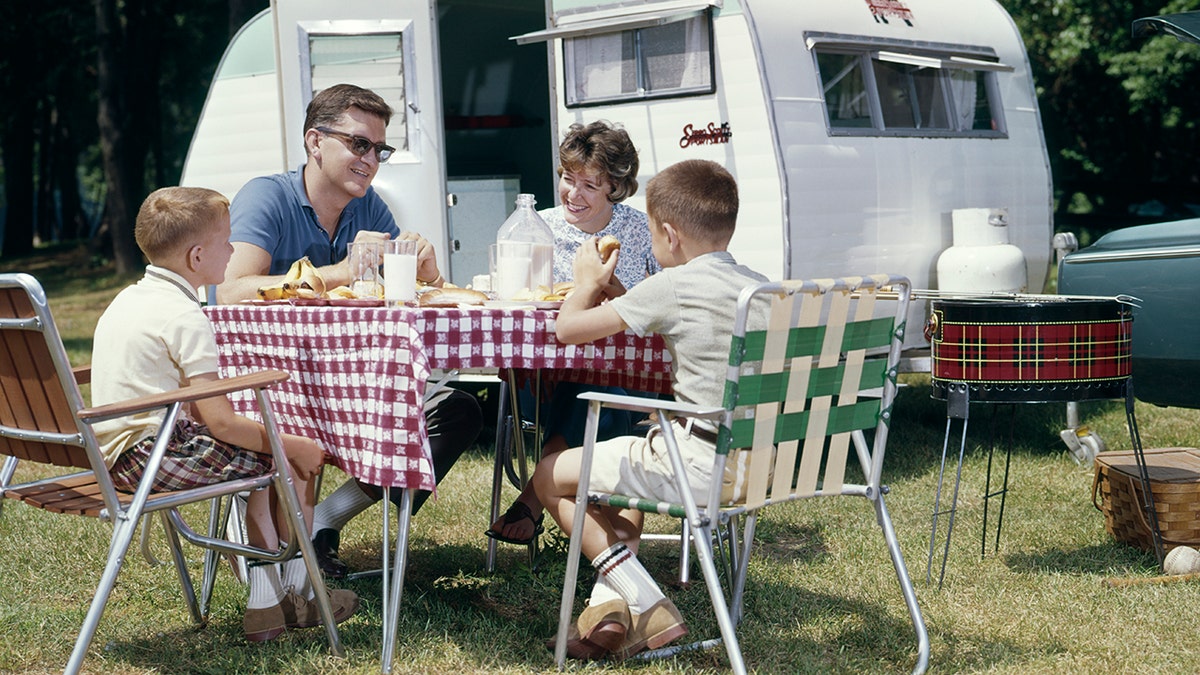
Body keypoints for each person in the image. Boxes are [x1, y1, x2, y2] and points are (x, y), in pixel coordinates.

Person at [217, 83, 483, 578]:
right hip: (276, 392)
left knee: (459, 413)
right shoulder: (267, 196)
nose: (371, 159)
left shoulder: (369, 206)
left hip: (347, 386)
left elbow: (400, 297)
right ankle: (280, 546)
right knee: (337, 427)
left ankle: (323, 523)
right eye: (359, 144)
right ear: (315, 141)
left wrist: (427, 274)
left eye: (379, 149)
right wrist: (340, 270)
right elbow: (231, 291)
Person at [90, 186, 359, 642]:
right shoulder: (185, 314)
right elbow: (221, 423)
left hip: (113, 455)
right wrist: (296, 445)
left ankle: (272, 602)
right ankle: (291, 596)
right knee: (288, 460)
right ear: (197, 257)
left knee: (262, 456)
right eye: (227, 242)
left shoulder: (128, 300)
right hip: (154, 459)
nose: (234, 251)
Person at [533, 159, 768, 660]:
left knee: (549, 477)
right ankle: (609, 611)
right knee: (629, 477)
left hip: (701, 468)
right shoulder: (760, 288)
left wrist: (584, 280)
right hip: (765, 465)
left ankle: (647, 601)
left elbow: (567, 329)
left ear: (667, 233)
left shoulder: (674, 284)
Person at [487, 120, 661, 546]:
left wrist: (612, 292)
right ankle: (620, 549)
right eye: (568, 178)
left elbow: (660, 307)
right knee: (587, 384)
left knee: (600, 382)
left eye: (589, 185)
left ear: (614, 188)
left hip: (633, 380)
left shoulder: (641, 231)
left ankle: (536, 493)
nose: (573, 193)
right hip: (543, 380)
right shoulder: (535, 228)